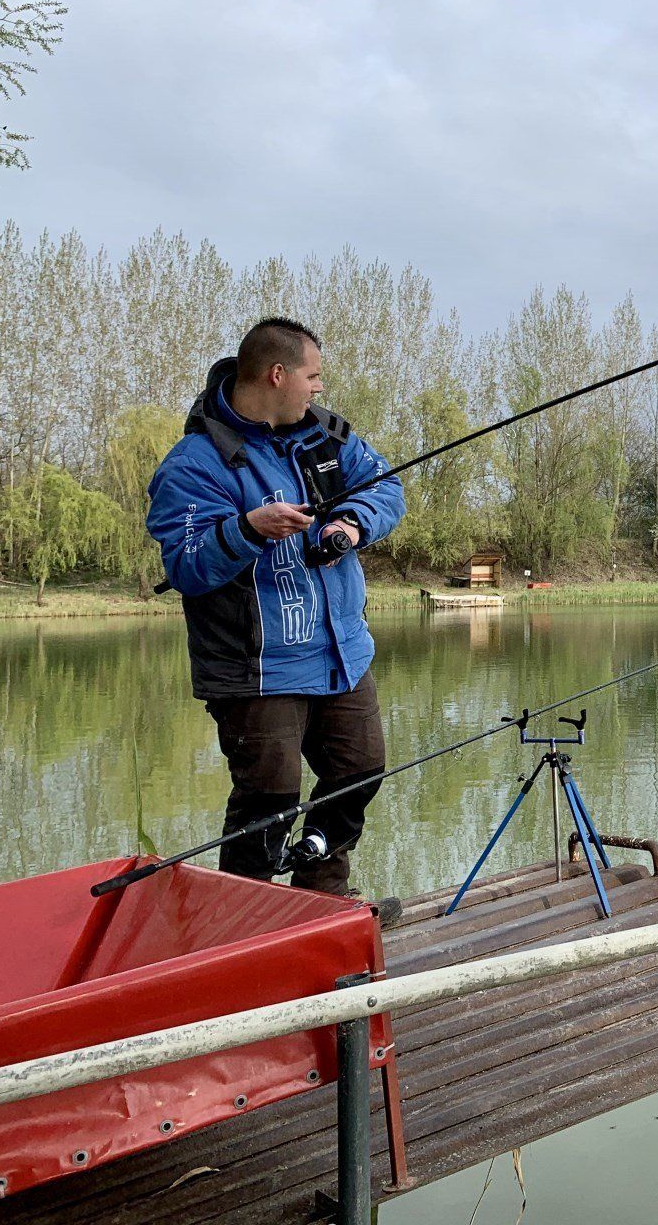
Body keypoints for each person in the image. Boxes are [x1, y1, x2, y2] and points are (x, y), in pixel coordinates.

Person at [146, 317, 405, 895]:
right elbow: (186, 566)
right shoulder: (194, 464)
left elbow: (386, 487)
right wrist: (247, 530)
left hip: (342, 651)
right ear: (277, 374)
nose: (318, 388)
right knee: (270, 796)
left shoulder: (327, 435)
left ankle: (322, 899)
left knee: (357, 770)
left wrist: (353, 525)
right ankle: (244, 922)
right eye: (312, 376)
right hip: (254, 668)